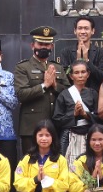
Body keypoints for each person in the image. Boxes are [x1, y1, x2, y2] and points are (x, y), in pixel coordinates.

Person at [14, 26, 66, 157]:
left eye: (47, 45)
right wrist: (44, 85)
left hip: (55, 125)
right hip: (31, 126)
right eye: (40, 44)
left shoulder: (58, 67)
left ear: (52, 46)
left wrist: (55, 85)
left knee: (54, 162)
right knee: (31, 162)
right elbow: (21, 94)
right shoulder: (23, 67)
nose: (44, 47)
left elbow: (68, 93)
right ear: (32, 45)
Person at [15, 120, 74, 192]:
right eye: (40, 135)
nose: (44, 138)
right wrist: (35, 180)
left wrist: (49, 181)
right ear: (35, 137)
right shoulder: (27, 159)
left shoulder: (60, 160)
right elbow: (18, 184)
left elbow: (65, 185)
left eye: (47, 135)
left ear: (53, 137)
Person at [53, 61, 99, 166]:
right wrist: (73, 114)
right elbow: (57, 120)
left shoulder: (93, 93)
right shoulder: (64, 95)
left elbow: (99, 117)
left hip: (89, 135)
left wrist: (85, 114)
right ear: (71, 76)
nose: (80, 75)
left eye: (83, 72)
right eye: (77, 73)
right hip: (69, 136)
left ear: (88, 74)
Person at [61, 15, 103, 90]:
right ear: (75, 31)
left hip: (94, 94)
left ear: (92, 31)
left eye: (86, 28)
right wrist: (77, 61)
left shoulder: (100, 52)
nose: (83, 32)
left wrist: (86, 61)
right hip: (73, 94)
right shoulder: (66, 52)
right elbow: (64, 77)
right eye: (80, 28)